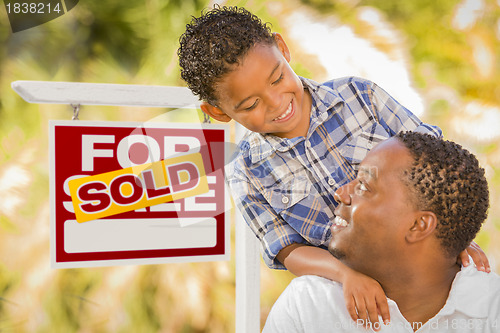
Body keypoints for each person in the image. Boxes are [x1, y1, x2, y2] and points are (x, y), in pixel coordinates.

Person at [177, 5, 490, 325]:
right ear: (218, 112)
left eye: (277, 78)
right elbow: (286, 249)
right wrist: (345, 275)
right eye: (252, 104)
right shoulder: (247, 172)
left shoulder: (361, 96)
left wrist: (453, 237)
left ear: (282, 49)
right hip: (352, 304)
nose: (276, 102)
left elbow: (436, 168)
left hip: (424, 276)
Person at [263, 132, 499, 332]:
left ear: (419, 226)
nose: (341, 193)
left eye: (363, 187)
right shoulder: (308, 307)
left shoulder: (492, 310)